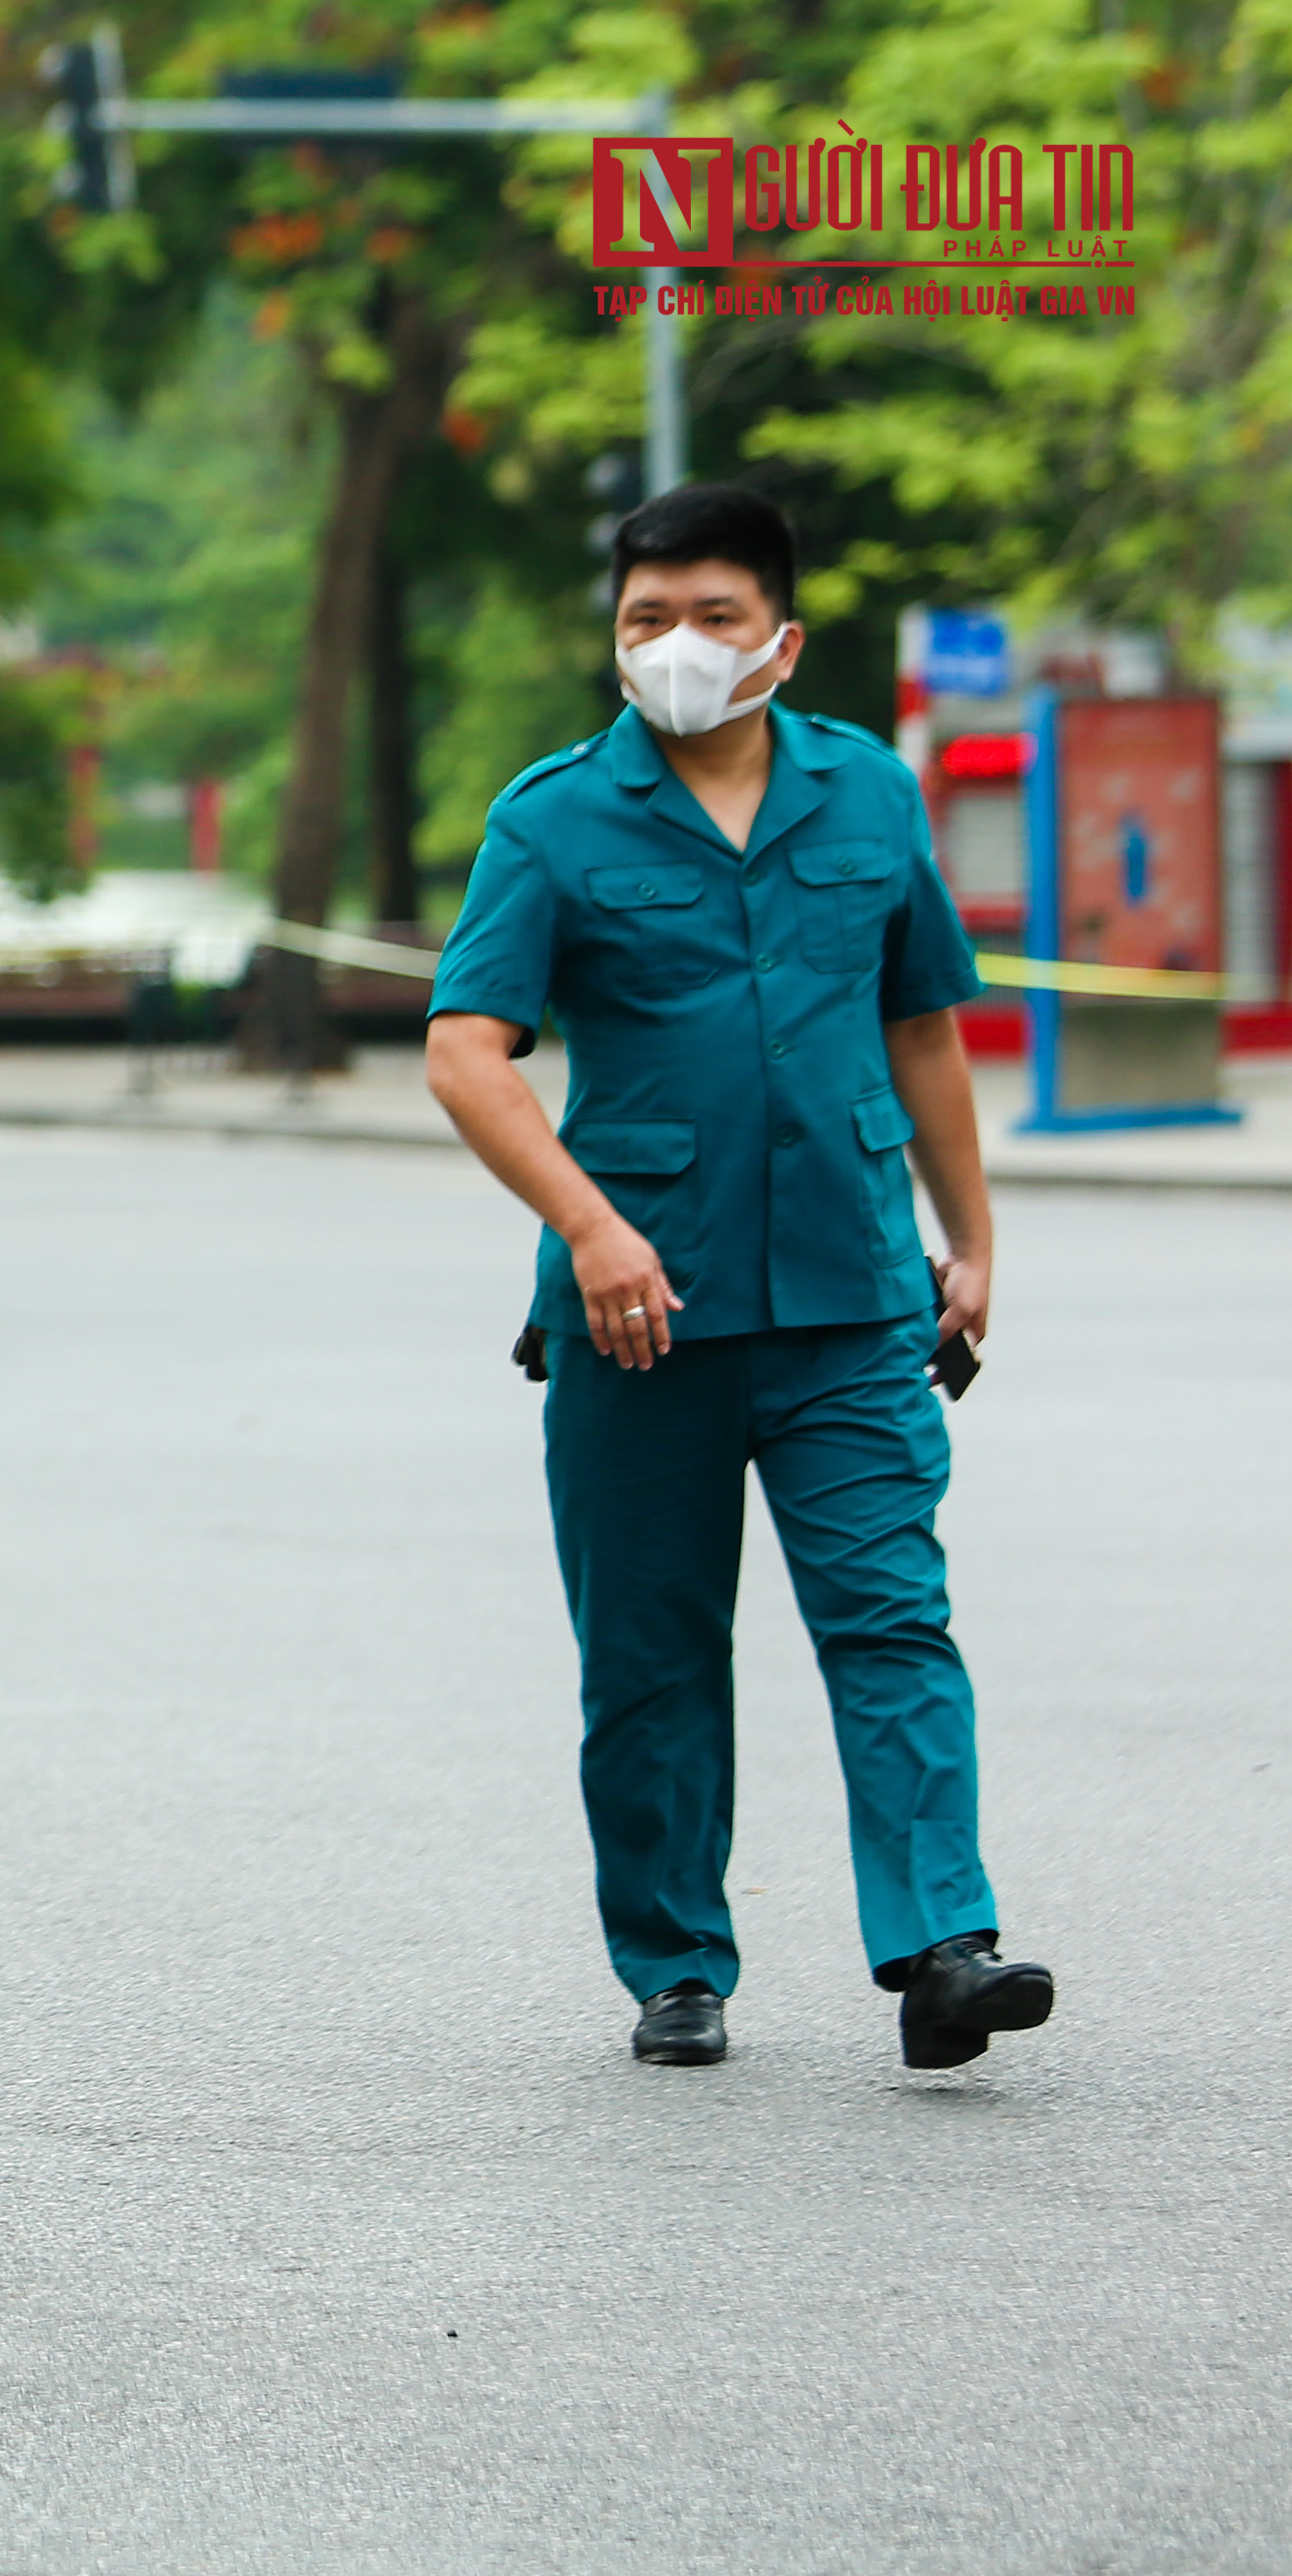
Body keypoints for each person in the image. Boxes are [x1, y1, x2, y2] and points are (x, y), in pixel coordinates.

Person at [423, 481, 1056, 2075]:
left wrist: (966, 1238)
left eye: (708, 618)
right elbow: (465, 1054)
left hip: (851, 1291)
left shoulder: (869, 797)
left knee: (893, 1617)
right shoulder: (550, 817)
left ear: (779, 633)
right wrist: (587, 1225)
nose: (676, 649)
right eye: (645, 622)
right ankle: (675, 1963)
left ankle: (942, 1949)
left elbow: (921, 1024)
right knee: (648, 1652)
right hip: (639, 1318)